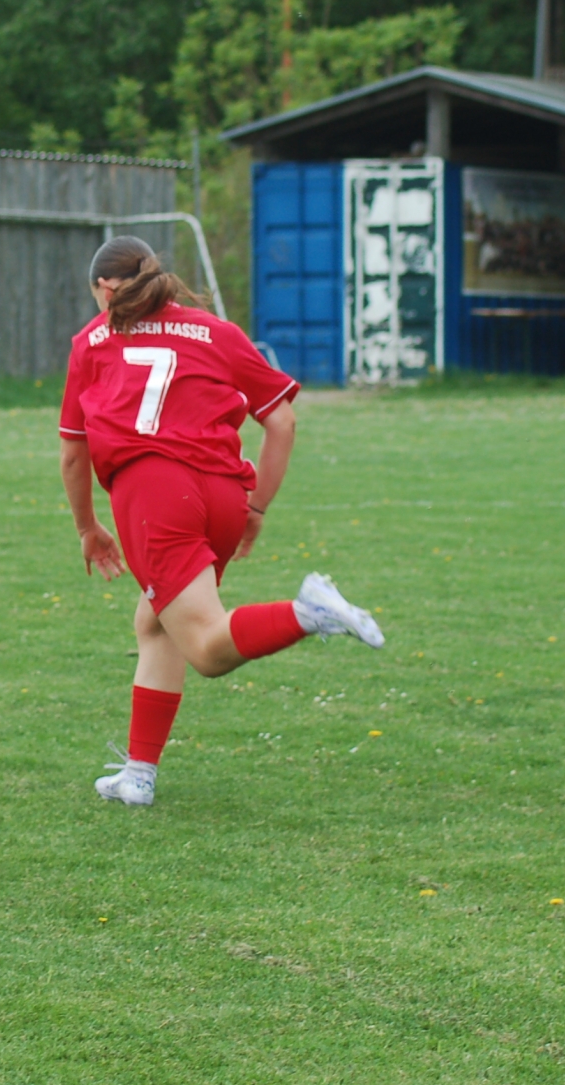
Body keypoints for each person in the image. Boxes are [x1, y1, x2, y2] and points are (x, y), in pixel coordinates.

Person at [59, 237, 383, 807]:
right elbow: (282, 422)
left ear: (105, 289)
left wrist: (88, 528)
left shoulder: (92, 341)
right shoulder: (217, 332)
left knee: (206, 649)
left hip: (155, 494)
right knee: (156, 622)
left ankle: (309, 611)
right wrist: (256, 510)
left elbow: (73, 452)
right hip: (225, 492)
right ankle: (138, 774)